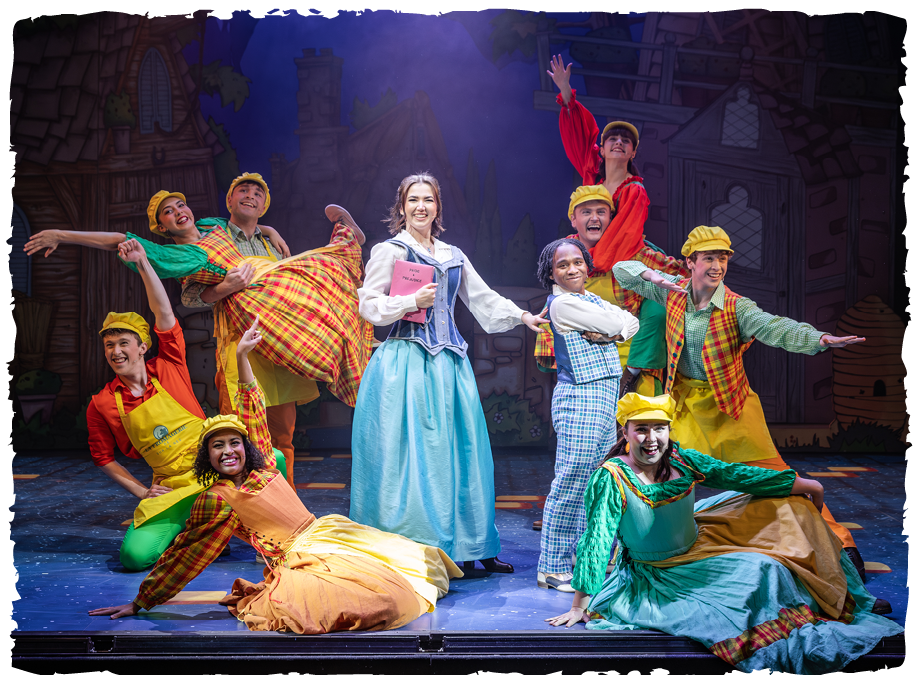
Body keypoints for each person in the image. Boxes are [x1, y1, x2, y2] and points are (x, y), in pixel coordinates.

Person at [88, 317, 462, 634]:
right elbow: (188, 554)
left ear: (245, 446)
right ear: (207, 457)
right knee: (368, 601)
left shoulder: (263, 464)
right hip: (298, 559)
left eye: (234, 443)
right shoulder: (218, 499)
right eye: (217, 447)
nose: (228, 451)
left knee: (416, 563)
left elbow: (250, 402)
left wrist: (242, 355)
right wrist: (142, 601)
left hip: (327, 535)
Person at [546, 393, 903, 674]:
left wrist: (800, 483)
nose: (651, 439)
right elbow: (596, 541)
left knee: (787, 506)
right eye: (641, 429)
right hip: (660, 572)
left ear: (669, 431)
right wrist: (580, 604)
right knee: (763, 569)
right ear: (625, 433)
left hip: (701, 541)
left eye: (659, 428)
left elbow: (735, 475)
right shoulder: (612, 478)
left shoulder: (681, 460)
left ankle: (839, 597)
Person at [611, 224, 879, 587]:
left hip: (731, 409)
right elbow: (621, 270)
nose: (717, 266)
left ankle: (842, 550)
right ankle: (640, 557)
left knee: (780, 480)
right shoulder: (672, 292)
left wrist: (820, 339)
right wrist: (655, 277)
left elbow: (775, 327)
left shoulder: (738, 307)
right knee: (656, 475)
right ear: (690, 262)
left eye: (722, 258)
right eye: (709, 258)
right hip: (685, 408)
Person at [349, 172, 548, 573]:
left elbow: (482, 298)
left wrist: (522, 316)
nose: (420, 206)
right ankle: (411, 546)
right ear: (402, 207)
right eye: (413, 199)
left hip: (450, 365)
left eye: (428, 199)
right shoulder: (390, 251)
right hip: (406, 362)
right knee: (411, 454)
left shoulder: (453, 254)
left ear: (438, 207)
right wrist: (409, 302)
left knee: (464, 450)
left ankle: (473, 545)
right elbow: (368, 305)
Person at [85, 238, 287, 571]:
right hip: (173, 487)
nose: (115, 351)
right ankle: (198, 526)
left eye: (123, 343)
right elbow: (103, 458)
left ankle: (271, 532)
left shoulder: (168, 365)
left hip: (214, 469)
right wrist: (141, 491)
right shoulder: (102, 402)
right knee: (135, 557)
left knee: (272, 458)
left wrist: (143, 263)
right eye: (109, 345)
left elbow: (163, 311)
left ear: (142, 347)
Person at [537, 56, 690, 396]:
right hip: (592, 249)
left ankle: (635, 369)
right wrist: (566, 94)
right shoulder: (591, 175)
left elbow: (625, 237)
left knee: (659, 303)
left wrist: (590, 264)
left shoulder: (634, 191)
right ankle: (560, 357)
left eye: (626, 140)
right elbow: (579, 134)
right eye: (612, 139)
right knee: (555, 294)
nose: (618, 142)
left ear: (633, 151)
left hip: (625, 252)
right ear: (602, 148)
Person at [534, 238, 639, 592]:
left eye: (577, 262)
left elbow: (631, 322)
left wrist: (615, 330)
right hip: (581, 395)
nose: (572, 269)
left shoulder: (590, 299)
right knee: (571, 480)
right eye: (562, 265)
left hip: (605, 395)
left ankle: (583, 557)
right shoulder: (563, 304)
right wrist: (614, 326)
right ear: (551, 273)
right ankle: (552, 567)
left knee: (595, 480)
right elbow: (613, 320)